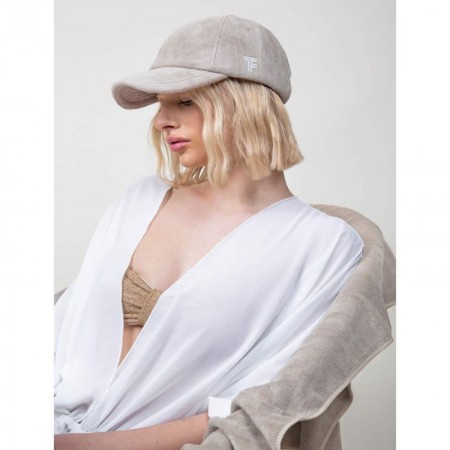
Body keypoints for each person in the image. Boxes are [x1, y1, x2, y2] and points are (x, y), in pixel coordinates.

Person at [54, 15, 364, 449]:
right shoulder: (140, 200)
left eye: (185, 102)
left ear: (246, 103)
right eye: (161, 103)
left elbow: (257, 406)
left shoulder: (324, 245)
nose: (161, 121)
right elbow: (62, 334)